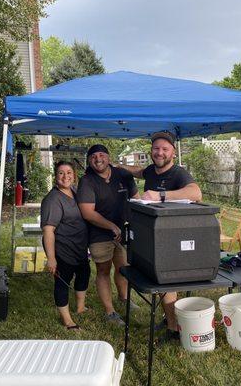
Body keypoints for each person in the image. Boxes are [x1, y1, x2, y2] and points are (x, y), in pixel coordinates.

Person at [117, 131, 202, 340]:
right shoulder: (152, 172)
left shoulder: (178, 173)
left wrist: (161, 195)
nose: (160, 153)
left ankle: (174, 329)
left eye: (165, 149)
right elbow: (139, 171)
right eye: (156, 148)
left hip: (174, 238)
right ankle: (169, 318)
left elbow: (196, 193)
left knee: (166, 282)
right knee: (157, 278)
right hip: (154, 235)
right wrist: (118, 167)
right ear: (151, 151)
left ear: (173, 152)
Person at [77, 144, 140, 326]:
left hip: (123, 231)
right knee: (103, 271)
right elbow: (87, 212)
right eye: (93, 156)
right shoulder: (87, 181)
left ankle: (124, 298)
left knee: (123, 268)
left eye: (101, 155)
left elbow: (136, 199)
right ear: (89, 160)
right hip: (99, 234)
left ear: (108, 157)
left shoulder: (123, 175)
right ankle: (110, 311)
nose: (98, 159)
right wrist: (111, 226)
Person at [41, 161, 90, 330]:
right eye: (61, 173)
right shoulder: (53, 199)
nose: (65, 176)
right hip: (63, 249)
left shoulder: (75, 192)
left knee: (84, 275)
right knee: (62, 282)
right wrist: (52, 259)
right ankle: (67, 320)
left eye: (69, 172)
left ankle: (81, 307)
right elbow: (48, 230)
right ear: (56, 176)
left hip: (80, 248)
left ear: (74, 176)